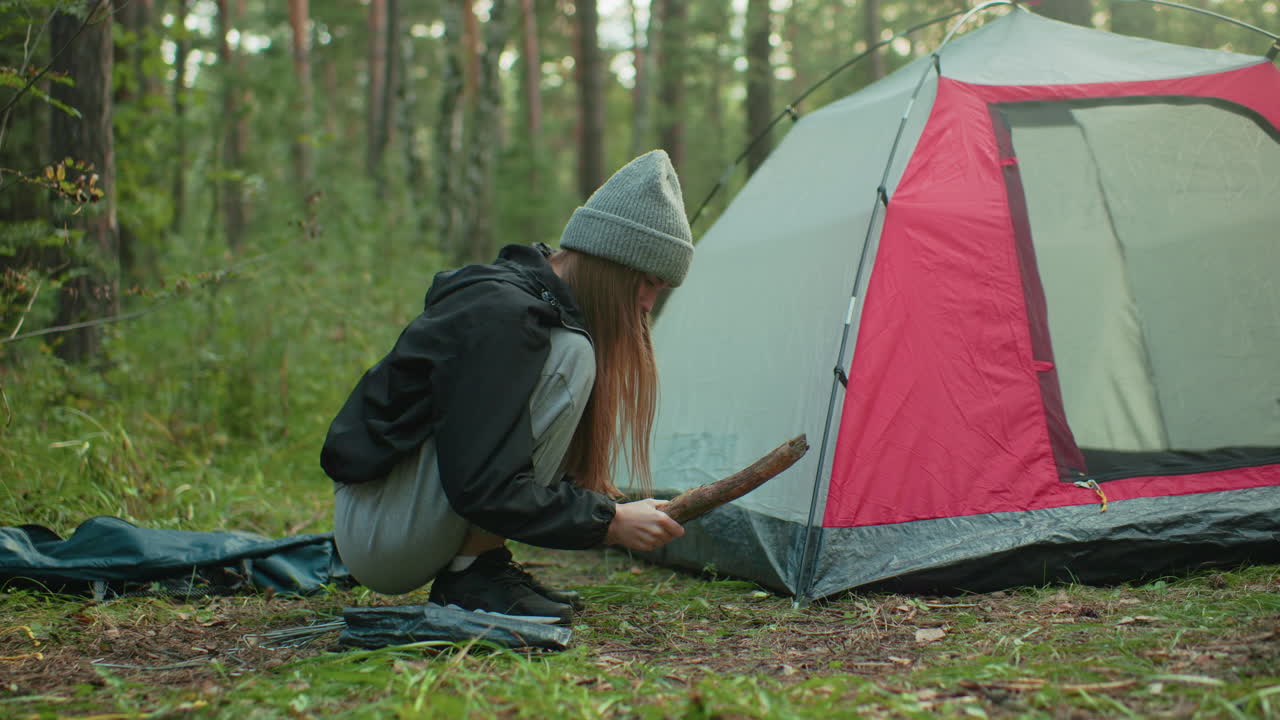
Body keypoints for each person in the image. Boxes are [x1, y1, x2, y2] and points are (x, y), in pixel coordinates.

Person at [321, 150, 692, 624]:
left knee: (574, 349)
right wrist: (611, 522)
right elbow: (484, 485)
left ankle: (483, 566)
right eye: (648, 283)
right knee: (573, 352)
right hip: (379, 530)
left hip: (397, 515)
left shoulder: (534, 305)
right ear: (612, 264)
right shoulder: (504, 317)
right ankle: (472, 577)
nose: (647, 304)